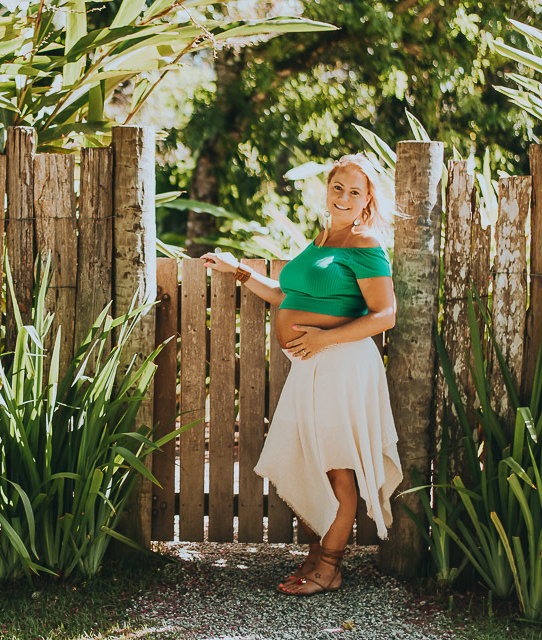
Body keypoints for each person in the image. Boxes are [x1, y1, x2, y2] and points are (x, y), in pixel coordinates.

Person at [201, 154, 403, 596]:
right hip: (311, 366)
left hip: (341, 365)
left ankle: (330, 567)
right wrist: (237, 269)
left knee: (337, 468)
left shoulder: (364, 243)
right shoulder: (322, 240)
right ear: (326, 189)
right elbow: (285, 295)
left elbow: (384, 314)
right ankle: (315, 557)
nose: (344, 197)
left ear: (367, 199)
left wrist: (324, 339)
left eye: (354, 191)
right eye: (337, 187)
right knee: (312, 463)